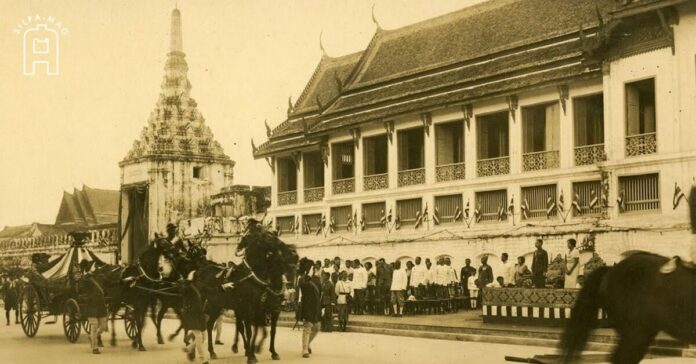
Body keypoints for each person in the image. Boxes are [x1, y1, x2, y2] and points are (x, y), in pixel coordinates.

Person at [298, 259, 322, 358]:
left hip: (316, 305)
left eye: (315, 268)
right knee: (307, 327)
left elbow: (320, 291)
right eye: (313, 268)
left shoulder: (316, 279)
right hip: (307, 305)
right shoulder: (302, 279)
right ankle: (304, 350)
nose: (315, 269)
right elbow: (302, 287)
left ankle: (307, 344)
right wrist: (305, 276)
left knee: (317, 327)